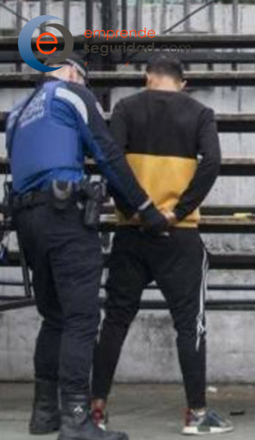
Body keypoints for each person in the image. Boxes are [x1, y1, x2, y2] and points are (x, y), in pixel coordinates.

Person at [7, 56, 168, 440]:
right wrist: (146, 210)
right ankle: (77, 420)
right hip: (64, 217)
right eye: (85, 78)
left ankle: (44, 414)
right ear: (71, 71)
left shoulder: (18, 112)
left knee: (55, 316)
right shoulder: (71, 93)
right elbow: (107, 152)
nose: (86, 85)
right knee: (81, 318)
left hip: (27, 220)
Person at [89, 55, 230, 436]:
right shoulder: (200, 113)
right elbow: (213, 162)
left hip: (131, 232)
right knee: (190, 324)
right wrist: (177, 211)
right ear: (183, 83)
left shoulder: (125, 108)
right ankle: (196, 414)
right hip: (179, 234)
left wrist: (139, 210)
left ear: (147, 77)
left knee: (115, 320)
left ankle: (96, 409)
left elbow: (110, 163)